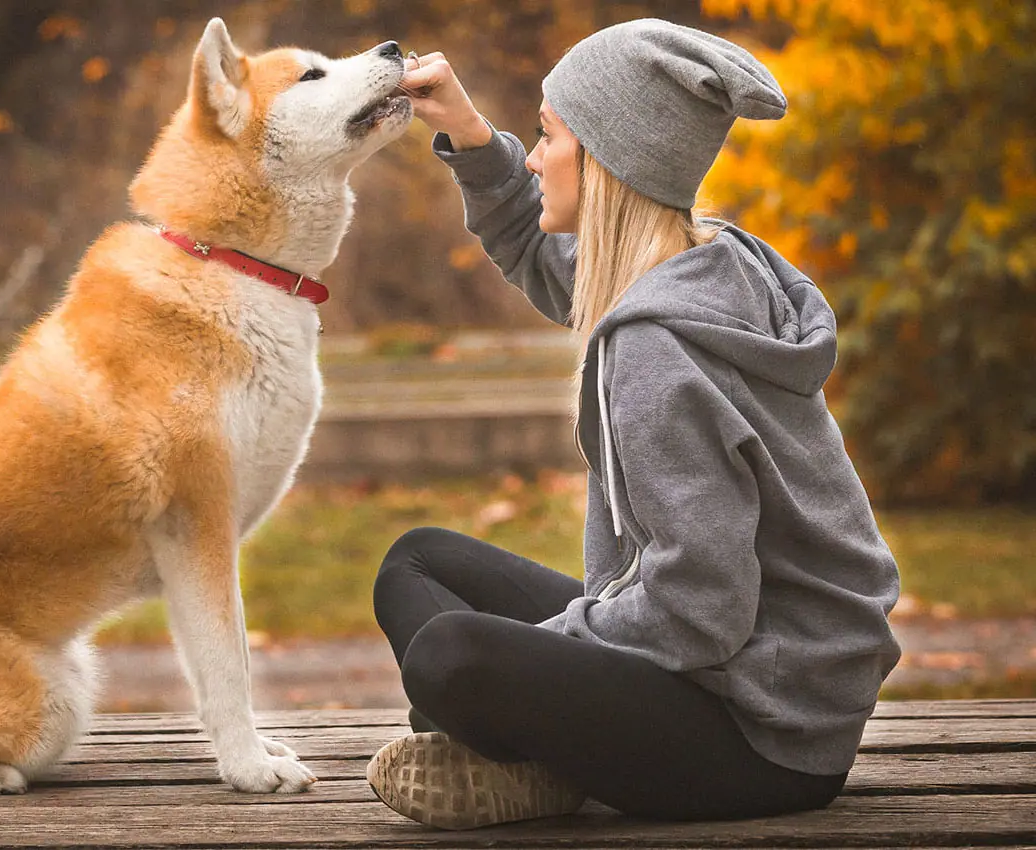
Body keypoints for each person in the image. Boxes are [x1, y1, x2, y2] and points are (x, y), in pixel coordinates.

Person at [365, 19, 903, 829]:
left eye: (548, 138)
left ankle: (531, 758)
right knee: (416, 562)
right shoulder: (707, 261)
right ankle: (535, 754)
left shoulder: (656, 350)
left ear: (609, 163)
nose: (537, 156)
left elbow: (700, 609)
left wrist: (541, 655)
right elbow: (543, 259)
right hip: (738, 675)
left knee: (451, 655)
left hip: (763, 735)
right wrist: (470, 134)